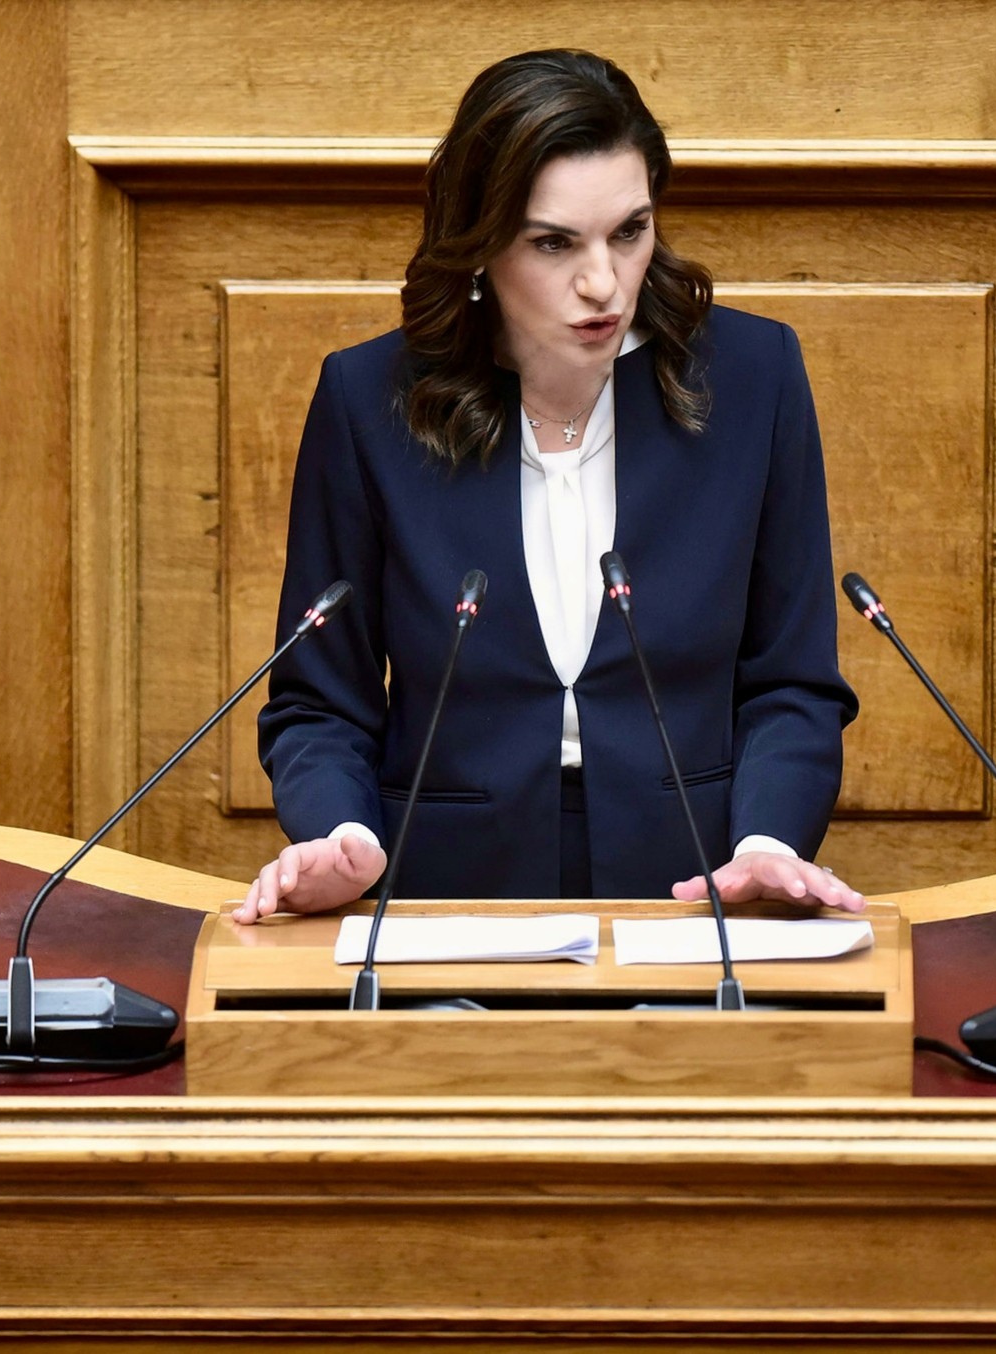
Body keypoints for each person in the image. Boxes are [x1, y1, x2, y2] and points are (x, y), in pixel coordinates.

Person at [236, 49, 862, 923]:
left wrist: (768, 842)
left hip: (699, 887)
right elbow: (317, 700)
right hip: (439, 896)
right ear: (481, 244)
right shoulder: (368, 399)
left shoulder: (756, 378)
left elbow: (792, 682)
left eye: (629, 232)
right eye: (554, 243)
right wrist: (341, 834)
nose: (603, 282)